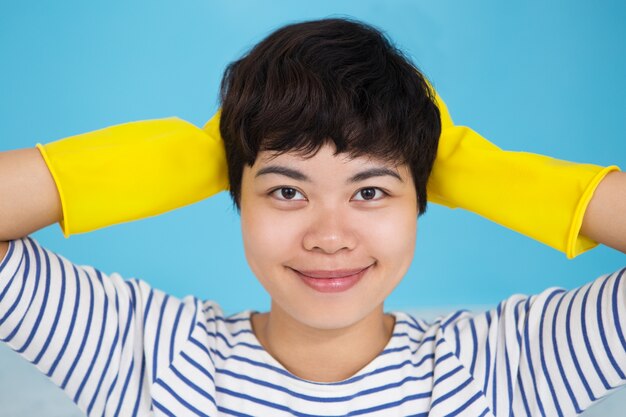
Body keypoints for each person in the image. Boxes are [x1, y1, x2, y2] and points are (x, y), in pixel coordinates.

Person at [0, 17, 625, 417]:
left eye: (371, 193)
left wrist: (467, 164)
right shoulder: (150, 353)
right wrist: (197, 154)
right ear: (234, 194)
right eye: (287, 193)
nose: (330, 237)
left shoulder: (500, 368)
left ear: (424, 197)